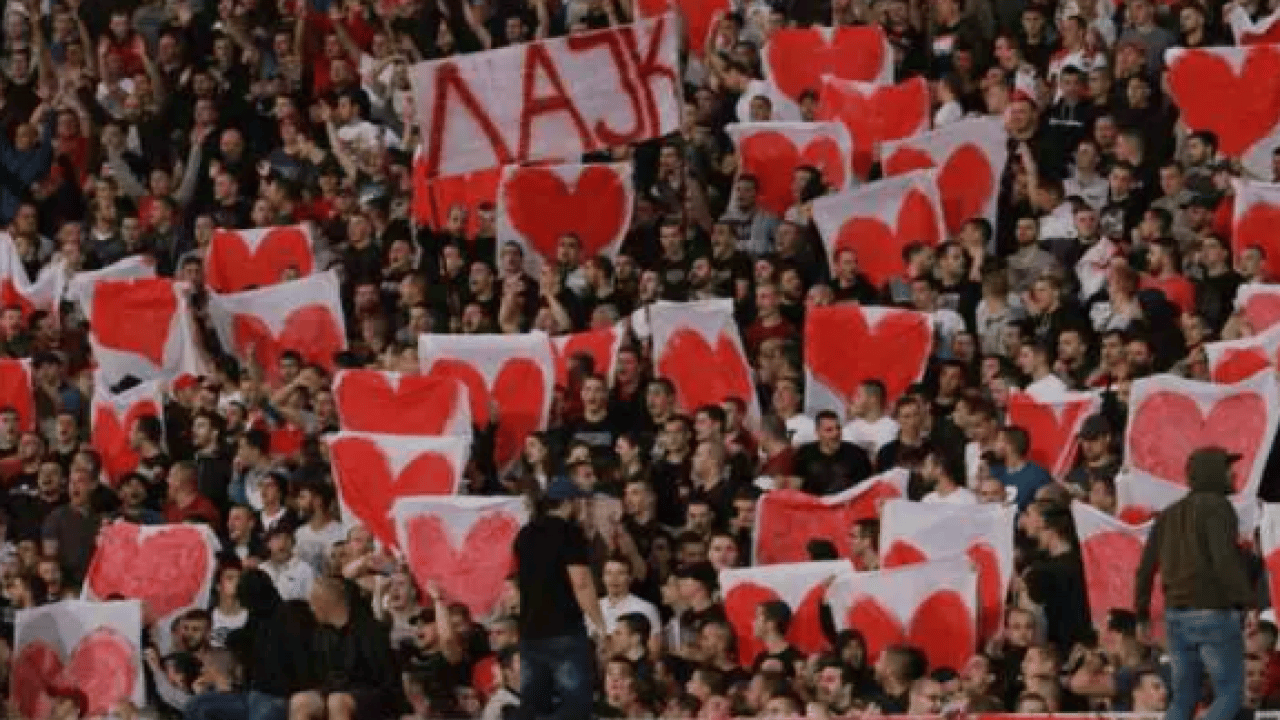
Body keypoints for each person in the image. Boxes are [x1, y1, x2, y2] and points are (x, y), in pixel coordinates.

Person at [1135, 446, 1254, 720]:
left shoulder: (1168, 514)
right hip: (1213, 611)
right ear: (1213, 473)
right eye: (1228, 470)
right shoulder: (1218, 507)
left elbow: (1145, 568)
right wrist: (1247, 602)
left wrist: (1141, 613)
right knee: (1229, 696)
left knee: (1184, 697)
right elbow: (1224, 559)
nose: (1233, 475)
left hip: (1176, 614)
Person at [512, 476, 608, 720]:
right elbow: (582, 582)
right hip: (564, 630)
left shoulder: (525, 534)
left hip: (530, 631)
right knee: (574, 707)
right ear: (569, 502)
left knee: (533, 706)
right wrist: (600, 624)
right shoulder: (570, 533)